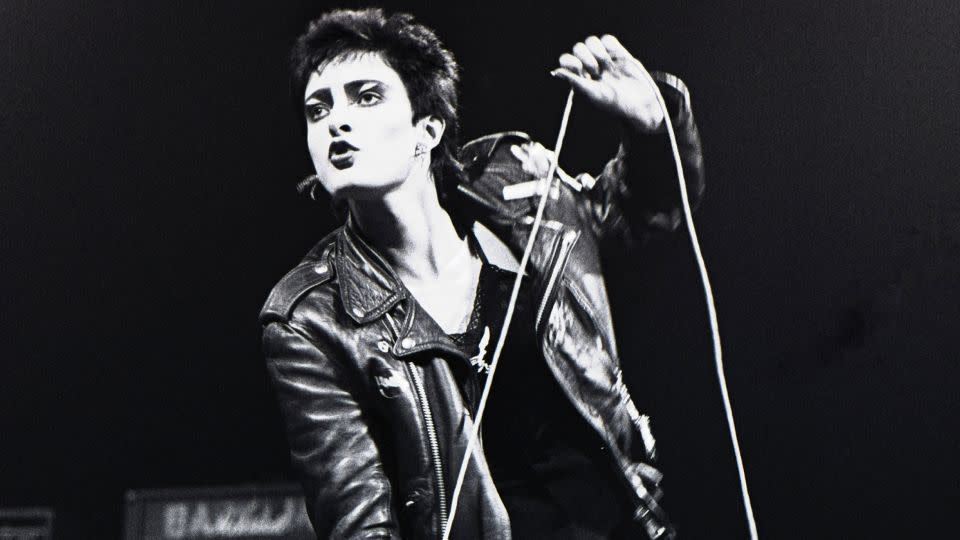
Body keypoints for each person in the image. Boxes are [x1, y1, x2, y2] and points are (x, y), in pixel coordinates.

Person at [260, 7, 705, 539]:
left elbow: (641, 212)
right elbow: (357, 516)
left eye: (367, 95)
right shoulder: (308, 315)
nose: (337, 121)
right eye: (317, 109)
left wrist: (654, 126)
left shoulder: (517, 191)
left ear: (428, 128)